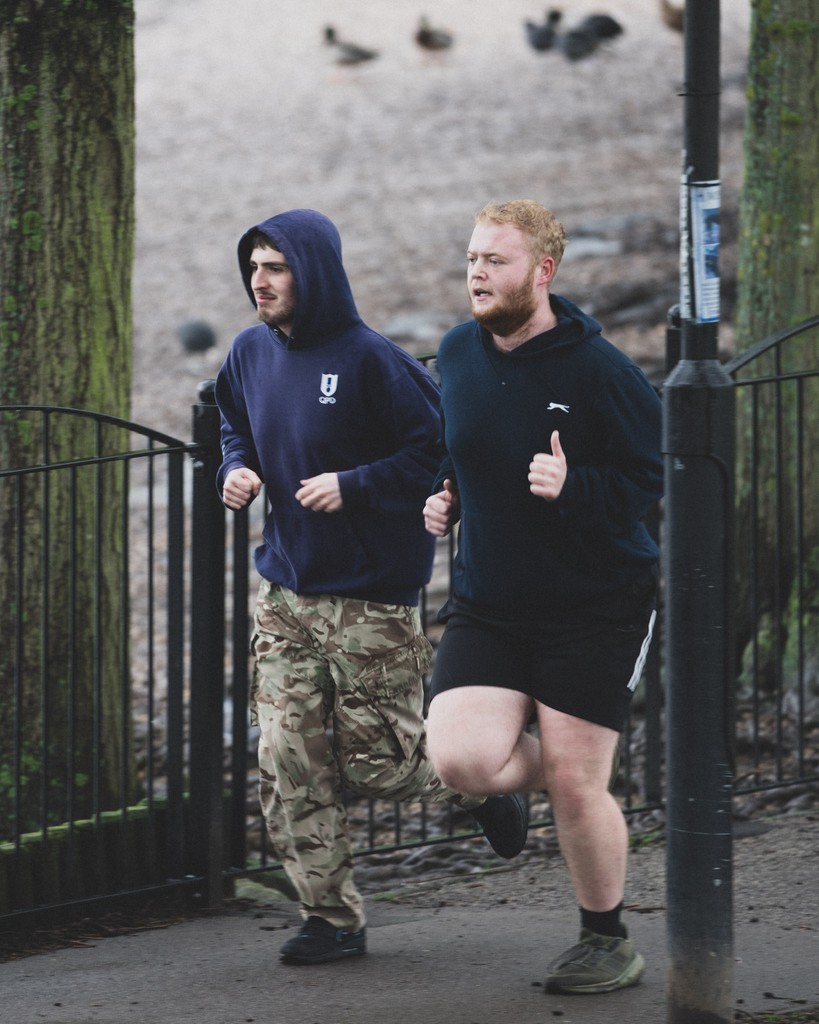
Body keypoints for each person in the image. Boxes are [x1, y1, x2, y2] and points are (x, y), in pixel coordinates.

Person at [214, 208, 528, 967]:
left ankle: (479, 787)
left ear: (312, 272)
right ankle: (332, 918)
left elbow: (437, 451)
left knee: (380, 766)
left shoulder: (371, 361)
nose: (261, 281)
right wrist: (235, 470)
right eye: (253, 266)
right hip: (285, 594)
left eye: (276, 266)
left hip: (371, 597)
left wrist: (354, 485)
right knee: (288, 760)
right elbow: (228, 424)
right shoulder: (249, 353)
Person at [423, 200, 663, 995]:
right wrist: (445, 494)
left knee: (573, 782)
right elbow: (460, 448)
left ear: (542, 272)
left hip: (596, 603)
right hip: (490, 600)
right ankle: (540, 781)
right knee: (458, 759)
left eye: (494, 261)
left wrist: (574, 485)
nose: (477, 275)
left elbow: (649, 480)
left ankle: (607, 940)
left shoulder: (602, 373)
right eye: (470, 260)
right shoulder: (456, 353)